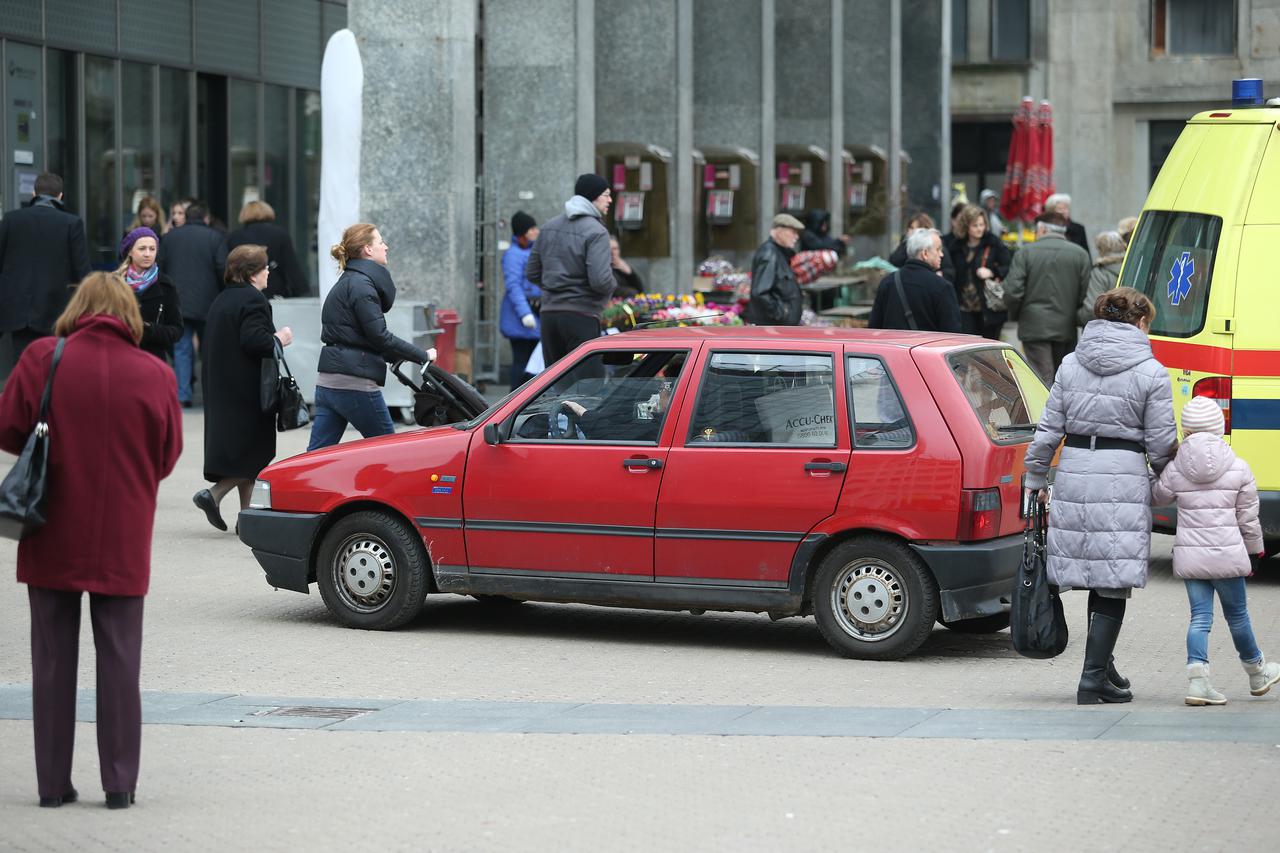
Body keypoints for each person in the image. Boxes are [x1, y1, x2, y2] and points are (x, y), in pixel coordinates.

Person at [0, 272, 182, 810]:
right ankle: (120, 783)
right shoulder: (155, 373)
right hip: (124, 534)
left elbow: (9, 429)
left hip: (50, 527)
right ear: (128, 310)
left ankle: (52, 786)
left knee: (52, 661)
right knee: (121, 660)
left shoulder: (41, 358)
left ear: (77, 307)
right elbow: (169, 455)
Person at [1023, 288, 1178, 705]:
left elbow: (1048, 428)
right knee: (1112, 581)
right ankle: (1092, 678)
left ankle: (1102, 667)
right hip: (1122, 478)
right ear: (1141, 322)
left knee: (1094, 574)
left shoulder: (1071, 364)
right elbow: (1162, 443)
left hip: (1075, 471)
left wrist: (1036, 477)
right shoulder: (1151, 372)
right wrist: (1169, 481)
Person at [1151, 395, 1280, 705]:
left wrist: (1159, 465)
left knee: (1199, 619)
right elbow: (1248, 518)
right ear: (1219, 428)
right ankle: (1257, 672)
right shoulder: (1238, 466)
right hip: (1227, 556)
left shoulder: (1176, 468)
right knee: (1238, 617)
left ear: (1187, 431)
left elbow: (1156, 497)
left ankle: (1198, 683)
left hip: (1191, 557)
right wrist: (1255, 553)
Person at [307, 224, 435, 451]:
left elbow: (361, 335)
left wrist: (394, 357)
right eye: (380, 242)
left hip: (328, 382)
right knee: (391, 452)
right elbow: (380, 336)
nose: (386, 247)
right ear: (367, 249)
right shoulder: (362, 286)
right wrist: (422, 355)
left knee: (315, 458)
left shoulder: (348, 282)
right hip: (354, 383)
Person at [192, 244, 294, 531]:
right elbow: (255, 340)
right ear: (252, 273)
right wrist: (279, 338)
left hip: (224, 387)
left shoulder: (223, 298)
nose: (268, 274)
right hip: (247, 390)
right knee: (257, 454)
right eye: (264, 269)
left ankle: (246, 519)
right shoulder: (254, 300)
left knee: (248, 452)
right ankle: (213, 494)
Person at [0, 172, 92, 383]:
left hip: (16, 309)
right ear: (60, 196)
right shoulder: (71, 223)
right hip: (55, 310)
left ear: (34, 193)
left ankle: (23, 411)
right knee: (51, 367)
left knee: (22, 366)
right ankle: (45, 413)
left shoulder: (12, 219)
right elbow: (83, 273)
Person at [526, 174, 615, 367]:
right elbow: (600, 281)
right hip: (581, 315)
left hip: (549, 316)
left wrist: (554, 285)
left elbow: (532, 272)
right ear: (593, 196)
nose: (610, 200)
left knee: (556, 383)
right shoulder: (596, 231)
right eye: (606, 195)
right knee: (587, 387)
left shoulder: (549, 227)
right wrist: (612, 285)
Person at [1002, 211, 1092, 384]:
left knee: (1041, 379)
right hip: (1066, 327)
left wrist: (1017, 313)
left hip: (1033, 327)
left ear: (1042, 229)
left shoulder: (1025, 252)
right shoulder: (1080, 254)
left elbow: (1012, 291)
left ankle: (1045, 411)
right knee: (1063, 378)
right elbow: (1085, 294)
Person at [158, 200, 228, 407]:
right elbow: (222, 269)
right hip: (209, 302)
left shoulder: (170, 238)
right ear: (205, 218)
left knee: (181, 349)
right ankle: (210, 394)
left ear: (186, 217)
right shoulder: (215, 237)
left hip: (178, 301)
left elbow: (160, 267)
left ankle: (183, 395)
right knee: (209, 350)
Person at [868, 228, 962, 333]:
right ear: (925, 253)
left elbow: (874, 328)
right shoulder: (942, 287)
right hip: (926, 349)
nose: (942, 254)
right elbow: (953, 334)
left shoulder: (888, 282)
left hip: (893, 348)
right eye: (938, 249)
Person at [117, 227, 183, 363]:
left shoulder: (165, 285)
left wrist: (148, 328)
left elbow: (176, 330)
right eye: (142, 249)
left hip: (152, 360)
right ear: (130, 251)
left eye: (152, 249)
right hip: (119, 359)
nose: (147, 254)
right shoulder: (115, 283)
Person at [949, 205, 1012, 339]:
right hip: (963, 307)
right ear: (966, 226)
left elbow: (1008, 266)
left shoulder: (994, 243)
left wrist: (992, 272)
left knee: (988, 348)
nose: (979, 228)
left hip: (988, 307)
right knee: (966, 346)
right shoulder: (956, 246)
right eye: (975, 225)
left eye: (982, 224)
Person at [225, 200, 310, 298]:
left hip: (243, 291)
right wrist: (303, 292)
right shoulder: (279, 235)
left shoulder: (234, 237)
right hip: (275, 291)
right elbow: (291, 267)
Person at [500, 211, 541, 390]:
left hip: (534, 313)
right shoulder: (513, 254)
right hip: (521, 316)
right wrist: (525, 314)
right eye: (532, 228)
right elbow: (514, 286)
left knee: (532, 362)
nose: (536, 231)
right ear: (523, 232)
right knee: (521, 361)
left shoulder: (532, 250)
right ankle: (514, 399)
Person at [747, 213, 805, 325]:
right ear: (779, 231)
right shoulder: (769, 254)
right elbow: (760, 293)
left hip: (780, 327)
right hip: (773, 328)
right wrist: (782, 314)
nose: (796, 237)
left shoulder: (779, 253)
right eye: (793, 232)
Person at [1076, 231, 1127, 327]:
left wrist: (1076, 318)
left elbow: (1091, 309)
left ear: (1101, 250)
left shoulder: (1101, 273)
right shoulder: (1133, 268)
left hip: (1103, 331)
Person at [889, 211, 955, 283]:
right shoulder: (905, 245)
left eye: (914, 228)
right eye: (910, 228)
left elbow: (949, 271)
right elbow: (894, 260)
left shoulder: (938, 248)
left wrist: (941, 275)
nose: (910, 231)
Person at [1044, 192, 1090, 258]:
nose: (1064, 211)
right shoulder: (1044, 228)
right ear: (1052, 212)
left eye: (1066, 208)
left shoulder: (1078, 228)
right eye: (1059, 209)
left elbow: (1086, 253)